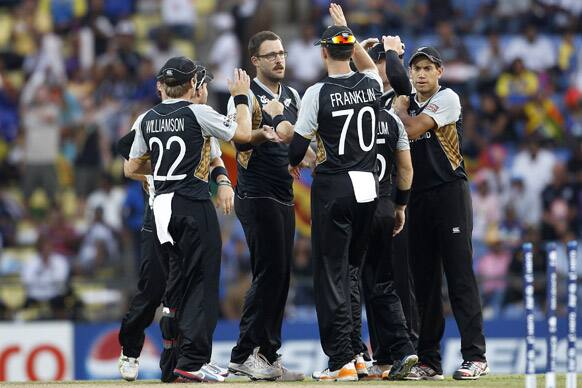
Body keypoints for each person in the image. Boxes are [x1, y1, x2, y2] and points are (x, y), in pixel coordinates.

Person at [263, 3, 382, 381]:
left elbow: (297, 150)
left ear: (324, 52)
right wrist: (346, 28)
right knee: (351, 273)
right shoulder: (372, 83)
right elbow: (366, 65)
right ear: (350, 49)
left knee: (329, 275)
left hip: (334, 185)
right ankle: (358, 355)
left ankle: (341, 361)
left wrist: (281, 117)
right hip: (369, 185)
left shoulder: (317, 92)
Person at [125, 56, 252, 382]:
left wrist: (162, 171)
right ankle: (193, 359)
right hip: (192, 202)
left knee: (171, 286)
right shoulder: (198, 113)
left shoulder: (147, 117)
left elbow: (130, 167)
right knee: (202, 281)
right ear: (193, 85)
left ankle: (173, 358)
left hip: (161, 205)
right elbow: (242, 135)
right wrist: (240, 97)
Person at [392, 46, 488, 380]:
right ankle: (429, 361)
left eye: (427, 68)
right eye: (415, 68)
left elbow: (412, 130)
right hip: (416, 198)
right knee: (425, 282)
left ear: (439, 72)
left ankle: (475, 356)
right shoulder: (406, 102)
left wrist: (398, 109)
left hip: (449, 194)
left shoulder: (448, 98)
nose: (420, 74)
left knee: (459, 276)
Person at [226, 30, 309, 382]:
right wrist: (270, 123)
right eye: (271, 54)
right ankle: (244, 354)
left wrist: (307, 157)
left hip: (283, 194)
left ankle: (268, 355)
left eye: (282, 52)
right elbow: (241, 142)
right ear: (255, 61)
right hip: (256, 193)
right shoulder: (243, 97)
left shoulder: (293, 95)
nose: (279, 59)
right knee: (268, 272)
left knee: (281, 275)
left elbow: (303, 147)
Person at [357, 35, 418, 381]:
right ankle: (398, 351)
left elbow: (392, 83)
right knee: (380, 284)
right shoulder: (387, 114)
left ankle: (353, 356)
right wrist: (399, 205)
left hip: (365, 201)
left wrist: (353, 46)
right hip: (389, 201)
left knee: (352, 280)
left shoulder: (393, 104)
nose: (377, 66)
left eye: (384, 61)